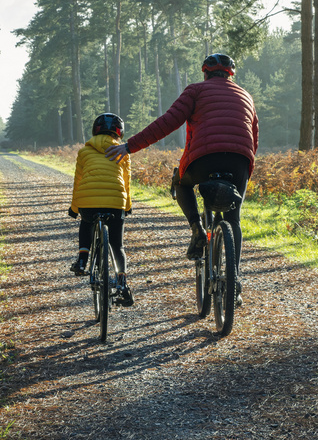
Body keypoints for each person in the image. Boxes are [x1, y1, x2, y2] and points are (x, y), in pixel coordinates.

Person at [105, 53, 258, 302]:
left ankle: (197, 229)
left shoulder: (196, 90)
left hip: (204, 159)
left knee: (181, 182)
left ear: (205, 72)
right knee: (233, 218)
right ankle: (234, 281)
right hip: (240, 160)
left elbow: (168, 122)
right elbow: (254, 134)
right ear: (231, 74)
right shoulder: (245, 95)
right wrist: (246, 169)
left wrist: (130, 146)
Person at [68, 112, 134, 307]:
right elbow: (127, 182)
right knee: (117, 245)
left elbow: (77, 181)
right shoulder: (123, 151)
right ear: (119, 132)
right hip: (115, 203)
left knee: (86, 222)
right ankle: (122, 282)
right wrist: (127, 206)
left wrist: (74, 208)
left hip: (88, 202)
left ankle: (82, 260)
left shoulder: (84, 152)